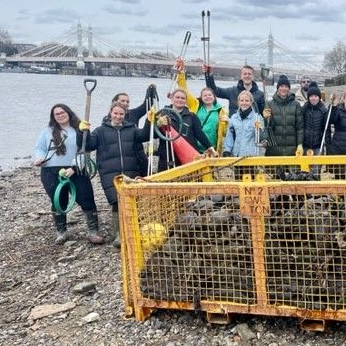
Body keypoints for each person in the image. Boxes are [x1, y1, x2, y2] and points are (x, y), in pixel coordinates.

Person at [79, 103, 150, 247]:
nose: (118, 116)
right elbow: (88, 145)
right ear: (110, 113)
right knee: (116, 202)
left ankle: (132, 232)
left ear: (125, 115)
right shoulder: (100, 131)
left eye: (121, 114)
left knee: (132, 201)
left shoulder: (132, 129)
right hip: (109, 172)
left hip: (130, 170)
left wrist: (149, 121)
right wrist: (82, 132)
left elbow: (145, 136)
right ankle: (119, 235)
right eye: (115, 113)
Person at [33, 104, 103, 244]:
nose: (60, 115)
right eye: (56, 114)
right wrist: (38, 159)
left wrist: (74, 168)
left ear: (68, 113)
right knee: (58, 200)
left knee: (86, 198)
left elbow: (84, 151)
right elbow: (39, 149)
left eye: (62, 112)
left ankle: (93, 231)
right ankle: (61, 232)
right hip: (51, 171)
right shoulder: (47, 132)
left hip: (76, 170)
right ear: (53, 117)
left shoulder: (79, 130)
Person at [154, 89, 216, 171]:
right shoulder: (161, 114)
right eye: (177, 97)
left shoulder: (192, 116)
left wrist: (209, 147)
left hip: (187, 155)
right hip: (167, 155)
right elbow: (152, 135)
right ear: (172, 99)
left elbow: (199, 134)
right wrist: (158, 124)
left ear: (186, 101)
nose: (180, 100)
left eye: (183, 98)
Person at [262, 75, 304, 156]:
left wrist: (300, 144)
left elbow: (300, 127)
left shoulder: (296, 105)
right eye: (281, 86)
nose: (284, 89)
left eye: (286, 86)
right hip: (273, 149)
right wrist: (265, 118)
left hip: (291, 149)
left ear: (289, 88)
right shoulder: (269, 104)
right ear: (277, 88)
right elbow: (267, 127)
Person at [223, 91, 267, 160]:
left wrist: (259, 129)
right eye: (242, 100)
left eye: (247, 101)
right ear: (238, 102)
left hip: (251, 157)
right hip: (236, 156)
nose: (244, 103)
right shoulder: (234, 118)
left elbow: (262, 139)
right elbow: (230, 136)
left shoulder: (257, 118)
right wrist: (227, 150)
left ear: (251, 102)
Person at [196, 87, 228, 154]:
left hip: (213, 148)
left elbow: (225, 132)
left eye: (210, 95)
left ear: (214, 96)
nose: (208, 97)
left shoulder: (221, 110)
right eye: (205, 95)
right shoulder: (196, 107)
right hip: (196, 147)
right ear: (201, 98)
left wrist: (227, 122)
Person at [302, 84, 329, 156]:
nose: (313, 98)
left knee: (316, 167)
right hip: (305, 145)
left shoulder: (323, 111)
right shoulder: (304, 109)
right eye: (311, 96)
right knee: (304, 166)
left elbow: (326, 130)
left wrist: (328, 145)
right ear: (308, 98)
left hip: (318, 146)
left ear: (319, 97)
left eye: (316, 96)